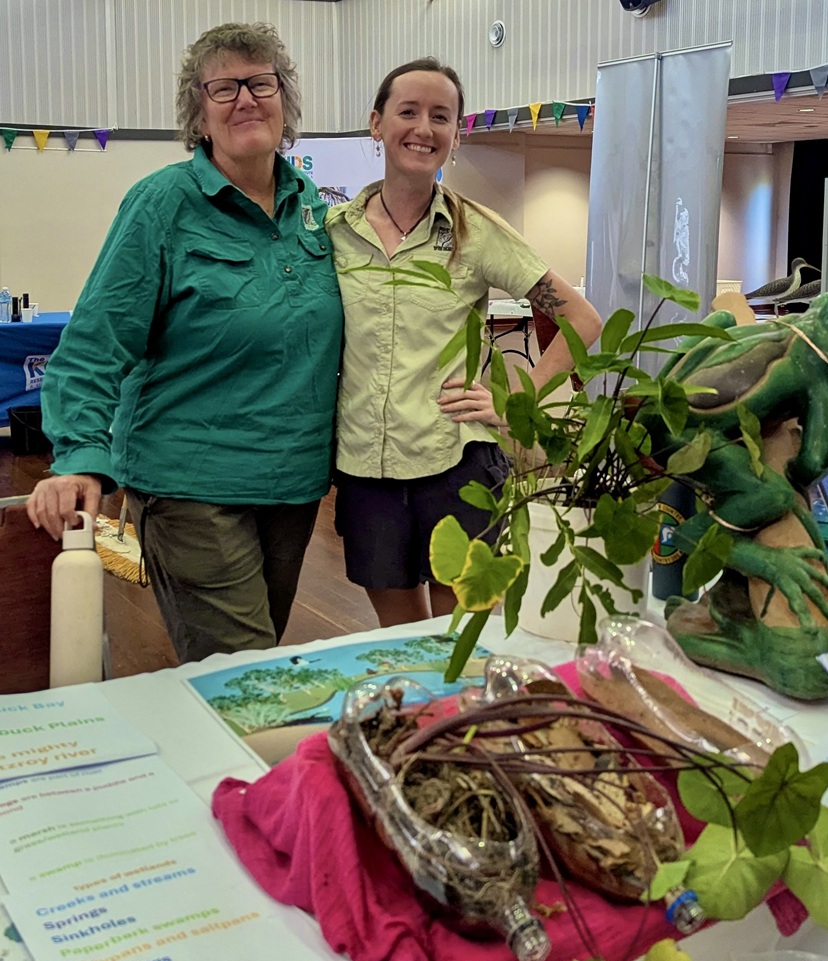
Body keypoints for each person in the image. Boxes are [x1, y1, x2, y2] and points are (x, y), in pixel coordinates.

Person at [27, 22, 343, 663]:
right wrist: (81, 456)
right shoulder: (161, 205)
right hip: (192, 482)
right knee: (244, 674)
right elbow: (95, 340)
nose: (246, 99)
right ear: (198, 113)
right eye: (223, 87)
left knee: (251, 665)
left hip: (294, 482)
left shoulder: (310, 203)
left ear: (286, 101)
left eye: (261, 82)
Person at [326, 57, 603, 627]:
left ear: (455, 136)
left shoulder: (476, 231)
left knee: (465, 631)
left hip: (454, 461)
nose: (423, 129)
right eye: (408, 112)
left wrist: (515, 397)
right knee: (400, 635)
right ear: (376, 124)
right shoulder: (334, 233)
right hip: (364, 467)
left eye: (440, 117)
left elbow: (582, 319)